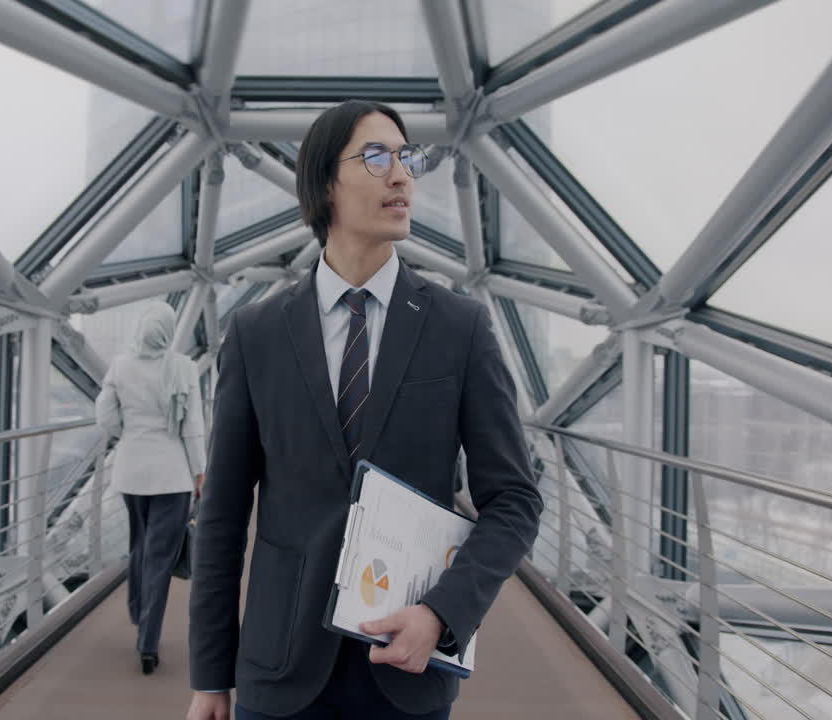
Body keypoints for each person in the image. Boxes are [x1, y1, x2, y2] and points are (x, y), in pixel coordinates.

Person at [187, 100, 544, 719]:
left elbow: (514, 500)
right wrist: (209, 678)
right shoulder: (257, 334)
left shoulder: (460, 328)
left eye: (407, 158)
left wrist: (442, 614)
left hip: (407, 669)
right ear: (325, 182)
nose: (402, 174)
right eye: (377, 157)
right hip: (279, 671)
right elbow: (221, 516)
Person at [95, 301, 206, 675]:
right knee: (159, 557)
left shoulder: (121, 366)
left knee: (140, 545)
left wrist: (127, 435)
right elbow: (192, 426)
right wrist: (201, 472)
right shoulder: (183, 368)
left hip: (131, 471)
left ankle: (136, 607)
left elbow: (105, 416)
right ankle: (148, 642)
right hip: (171, 475)